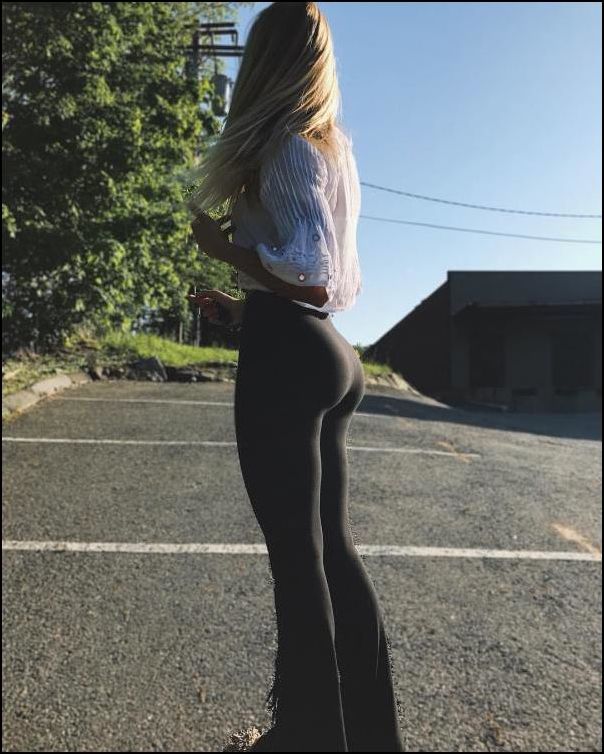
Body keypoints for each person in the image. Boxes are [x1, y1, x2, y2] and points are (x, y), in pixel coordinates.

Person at [187, 3, 405, 751]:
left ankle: (308, 736)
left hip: (288, 351)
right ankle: (367, 736)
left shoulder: (282, 144)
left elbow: (308, 272)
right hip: (327, 350)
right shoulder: (329, 146)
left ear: (266, 63)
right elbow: (324, 282)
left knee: (296, 554)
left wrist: (222, 250)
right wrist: (243, 302)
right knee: (331, 549)